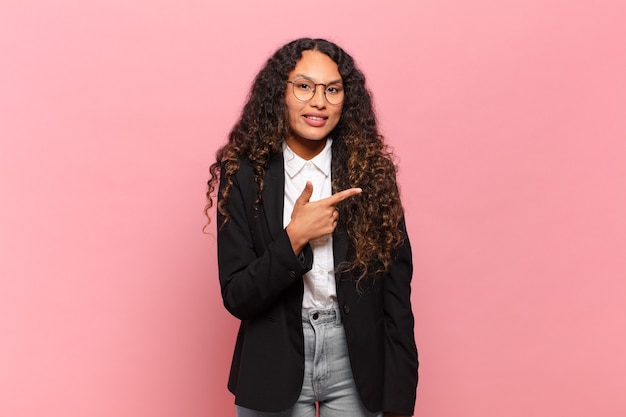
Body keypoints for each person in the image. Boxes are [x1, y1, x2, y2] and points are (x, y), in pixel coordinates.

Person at [205, 38, 418, 417]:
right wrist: (295, 238)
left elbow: (397, 298)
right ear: (279, 93)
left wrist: (400, 398)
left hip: (357, 362)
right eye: (304, 86)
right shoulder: (244, 174)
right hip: (273, 359)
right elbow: (237, 296)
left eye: (332, 90)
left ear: (345, 100)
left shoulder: (371, 172)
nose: (318, 102)